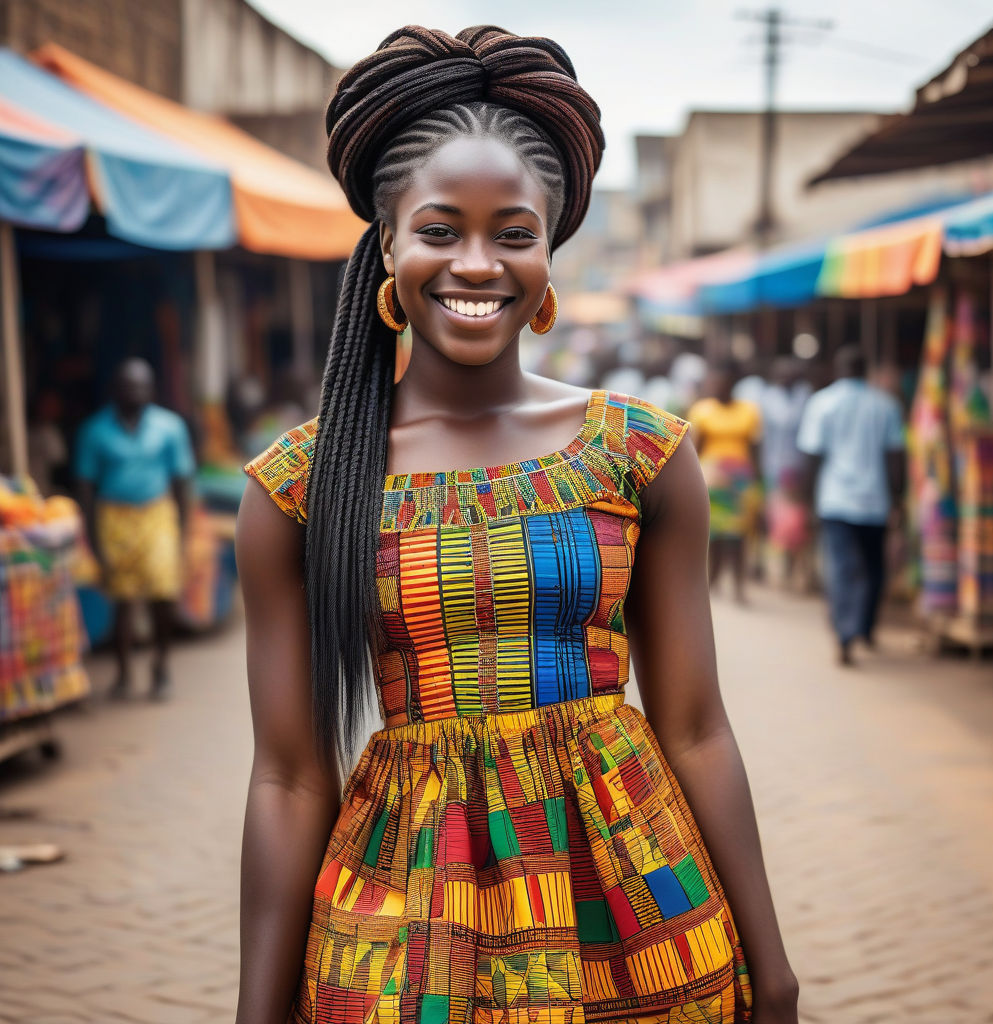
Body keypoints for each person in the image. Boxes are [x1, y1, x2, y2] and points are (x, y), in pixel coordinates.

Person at [235, 26, 796, 1024]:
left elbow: (697, 725)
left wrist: (774, 966)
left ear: (550, 251)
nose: (477, 264)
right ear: (387, 244)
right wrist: (258, 1005)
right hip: (409, 931)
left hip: (639, 913)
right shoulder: (300, 486)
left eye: (514, 231)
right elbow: (285, 773)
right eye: (440, 230)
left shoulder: (637, 455)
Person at [75, 358, 194, 699]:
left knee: (163, 592)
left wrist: (182, 531)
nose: (136, 393)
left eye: (142, 386)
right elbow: (85, 486)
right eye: (129, 387)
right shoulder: (94, 431)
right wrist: (92, 537)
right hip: (114, 517)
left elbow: (183, 482)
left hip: (157, 515)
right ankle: (125, 674)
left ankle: (161, 669)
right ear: (116, 391)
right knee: (122, 599)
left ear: (152, 389)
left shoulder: (170, 427)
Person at [797, 345, 905, 666]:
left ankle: (845, 633)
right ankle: (866, 627)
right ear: (865, 369)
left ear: (838, 369)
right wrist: (898, 499)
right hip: (876, 499)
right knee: (874, 566)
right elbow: (895, 457)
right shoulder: (886, 405)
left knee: (841, 567)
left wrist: (807, 499)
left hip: (836, 499)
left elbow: (811, 456)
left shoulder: (822, 403)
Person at [688, 362, 762, 602]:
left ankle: (739, 586)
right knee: (715, 533)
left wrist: (758, 483)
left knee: (739, 534)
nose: (718, 387)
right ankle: (712, 582)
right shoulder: (701, 411)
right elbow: (694, 449)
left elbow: (755, 448)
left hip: (739, 478)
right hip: (711, 475)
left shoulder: (749, 411)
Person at [760, 358, 812, 588]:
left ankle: (796, 569)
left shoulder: (806, 396)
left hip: (800, 468)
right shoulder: (768, 398)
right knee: (778, 520)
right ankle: (780, 569)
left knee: (798, 521)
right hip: (774, 467)